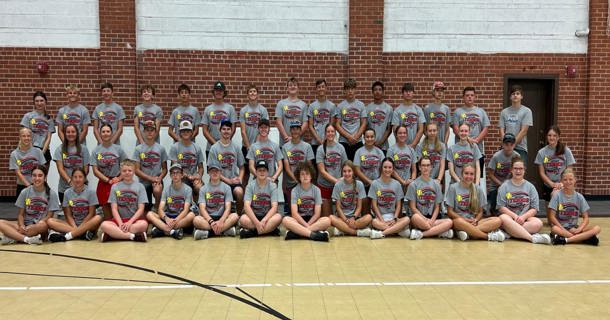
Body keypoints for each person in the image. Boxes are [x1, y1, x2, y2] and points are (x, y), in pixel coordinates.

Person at [445, 163, 504, 241]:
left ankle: (469, 233)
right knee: (458, 222)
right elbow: (450, 212)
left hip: (474, 221)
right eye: (466, 173)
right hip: (460, 221)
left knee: (498, 220)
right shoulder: (453, 188)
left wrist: (476, 220)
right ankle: (488, 236)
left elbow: (480, 212)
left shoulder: (478, 189)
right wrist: (464, 220)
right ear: (462, 174)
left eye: (471, 174)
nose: (469, 176)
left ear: (474, 175)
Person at [0, 165, 58, 245]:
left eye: (40, 175)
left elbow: (49, 216)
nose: (37, 178)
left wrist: (38, 224)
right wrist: (22, 225)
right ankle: (27, 239)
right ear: (31, 177)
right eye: (34, 175)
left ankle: (12, 236)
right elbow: (20, 215)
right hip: (25, 226)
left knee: (44, 225)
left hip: (39, 227)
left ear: (45, 177)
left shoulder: (52, 194)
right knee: (0, 222)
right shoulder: (25, 192)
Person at [497, 158, 550, 244]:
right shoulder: (504, 186)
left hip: (524, 219)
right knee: (502, 218)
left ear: (524, 170)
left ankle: (510, 232)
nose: (518, 171)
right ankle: (531, 238)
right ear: (511, 170)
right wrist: (514, 216)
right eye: (515, 168)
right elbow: (501, 207)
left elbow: (534, 208)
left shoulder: (530, 187)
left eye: (521, 168)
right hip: (510, 218)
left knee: (538, 223)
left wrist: (523, 217)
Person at [548, 169, 602, 245]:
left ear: (575, 180)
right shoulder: (557, 195)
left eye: (571, 179)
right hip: (560, 228)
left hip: (574, 228)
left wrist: (580, 229)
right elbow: (551, 217)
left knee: (597, 228)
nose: (568, 182)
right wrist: (563, 229)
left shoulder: (579, 197)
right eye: (565, 180)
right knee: (554, 229)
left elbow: (586, 218)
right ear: (561, 181)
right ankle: (583, 238)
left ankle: (566, 240)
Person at [47, 168, 102, 242]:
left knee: (98, 218)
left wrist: (82, 226)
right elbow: (68, 215)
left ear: (84, 178)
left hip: (88, 224)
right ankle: (82, 234)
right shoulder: (67, 193)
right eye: (75, 177)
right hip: (73, 224)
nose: (77, 179)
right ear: (72, 178)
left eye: (80, 177)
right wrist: (75, 227)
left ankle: (68, 236)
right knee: (50, 221)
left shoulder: (91, 192)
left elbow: (91, 213)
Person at [99, 160, 148, 242]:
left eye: (130, 170)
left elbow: (141, 209)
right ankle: (132, 236)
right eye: (124, 171)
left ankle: (113, 235)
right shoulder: (115, 187)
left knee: (144, 225)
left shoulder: (140, 186)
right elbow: (114, 209)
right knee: (104, 225)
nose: (127, 173)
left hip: (134, 221)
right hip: (119, 220)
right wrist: (121, 223)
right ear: (120, 172)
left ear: (134, 172)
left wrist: (129, 223)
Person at [282, 162, 330, 241]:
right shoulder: (294, 190)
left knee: (327, 220)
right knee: (285, 220)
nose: (305, 176)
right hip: (299, 221)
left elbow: (317, 214)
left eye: (307, 174)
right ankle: (313, 235)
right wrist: (304, 224)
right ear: (299, 177)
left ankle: (298, 233)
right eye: (302, 174)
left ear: (311, 176)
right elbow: (294, 214)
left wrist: (307, 226)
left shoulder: (317, 190)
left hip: (313, 220)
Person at [407, 157, 453, 240]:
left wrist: (431, 220)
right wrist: (424, 219)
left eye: (428, 165)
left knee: (449, 222)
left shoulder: (436, 185)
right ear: (419, 167)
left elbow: (437, 207)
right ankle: (439, 231)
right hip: (419, 218)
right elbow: (412, 207)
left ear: (431, 167)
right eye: (423, 165)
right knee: (415, 217)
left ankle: (421, 234)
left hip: (432, 218)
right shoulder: (413, 185)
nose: (426, 168)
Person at [146, 164, 195, 240]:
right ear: (170, 176)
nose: (175, 175)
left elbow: (186, 210)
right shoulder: (166, 190)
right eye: (173, 173)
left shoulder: (188, 189)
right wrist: (166, 218)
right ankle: (172, 231)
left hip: (181, 218)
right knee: (149, 214)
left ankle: (163, 230)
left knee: (192, 215)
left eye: (177, 172)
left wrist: (175, 220)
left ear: (182, 175)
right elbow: (160, 209)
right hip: (169, 217)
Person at [192, 164, 239, 240]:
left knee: (235, 216)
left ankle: (207, 233)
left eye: (217, 171)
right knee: (196, 220)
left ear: (220, 172)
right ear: (209, 173)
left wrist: (221, 221)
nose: (214, 173)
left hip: (222, 217)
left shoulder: (226, 187)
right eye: (212, 171)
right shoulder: (203, 189)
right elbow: (202, 209)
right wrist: (211, 222)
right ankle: (224, 231)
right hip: (208, 218)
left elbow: (228, 208)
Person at [91, 123, 128, 219]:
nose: (105, 133)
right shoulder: (96, 151)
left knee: (118, 209)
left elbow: (127, 165)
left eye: (108, 131)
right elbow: (95, 170)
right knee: (107, 212)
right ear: (100, 133)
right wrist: (108, 180)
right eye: (103, 131)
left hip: (117, 182)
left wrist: (119, 178)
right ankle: (109, 229)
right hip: (103, 183)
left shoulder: (118, 149)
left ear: (112, 133)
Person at [208, 120, 245, 214]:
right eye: (223, 129)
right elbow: (212, 172)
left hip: (233, 181)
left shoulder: (236, 147)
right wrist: (228, 181)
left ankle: (239, 217)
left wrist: (240, 178)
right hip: (218, 181)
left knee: (239, 192)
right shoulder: (214, 148)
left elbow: (241, 167)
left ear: (231, 131)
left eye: (228, 129)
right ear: (220, 131)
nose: (226, 131)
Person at [239, 160, 283, 238]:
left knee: (278, 217)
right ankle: (270, 230)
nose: (262, 172)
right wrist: (257, 223)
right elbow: (246, 206)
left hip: (267, 217)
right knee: (242, 219)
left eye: (264, 170)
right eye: (259, 170)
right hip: (253, 217)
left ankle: (252, 233)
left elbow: (274, 207)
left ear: (267, 172)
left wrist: (264, 220)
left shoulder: (273, 186)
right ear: (256, 172)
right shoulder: (250, 186)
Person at [369, 157, 411, 239]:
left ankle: (381, 233)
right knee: (373, 221)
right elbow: (374, 205)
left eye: (390, 167)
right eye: (385, 167)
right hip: (380, 217)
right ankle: (397, 231)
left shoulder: (397, 184)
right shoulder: (375, 183)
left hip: (393, 218)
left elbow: (399, 205)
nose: (387, 170)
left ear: (393, 169)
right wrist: (381, 220)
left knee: (407, 220)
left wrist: (395, 218)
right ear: (381, 168)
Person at [452, 87, 490, 176]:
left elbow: (486, 128)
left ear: (475, 97)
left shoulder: (481, 111)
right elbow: (455, 128)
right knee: (459, 176)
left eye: (472, 95)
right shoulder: (458, 112)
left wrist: (476, 140)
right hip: (460, 151)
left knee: (476, 177)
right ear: (463, 97)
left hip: (477, 150)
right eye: (467, 95)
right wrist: (468, 139)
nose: (470, 97)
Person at [330, 160, 372, 237]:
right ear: (342, 173)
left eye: (349, 171)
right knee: (331, 218)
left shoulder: (359, 184)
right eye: (344, 171)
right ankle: (357, 232)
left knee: (368, 217)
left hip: (355, 218)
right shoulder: (338, 185)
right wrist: (346, 220)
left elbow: (359, 206)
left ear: (353, 172)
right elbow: (338, 207)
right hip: (342, 218)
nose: (347, 174)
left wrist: (353, 217)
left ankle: (343, 230)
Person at [133, 120, 168, 212]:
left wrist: (159, 178)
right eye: (147, 130)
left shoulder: (161, 148)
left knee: (157, 190)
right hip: (143, 183)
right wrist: (150, 178)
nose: (149, 132)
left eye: (152, 130)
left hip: (157, 180)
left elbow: (165, 169)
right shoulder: (138, 149)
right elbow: (136, 170)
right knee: (145, 209)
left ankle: (157, 208)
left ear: (156, 132)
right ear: (143, 132)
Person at [282, 121, 315, 215]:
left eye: (297, 129)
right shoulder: (285, 147)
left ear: (300, 131)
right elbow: (287, 168)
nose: (295, 131)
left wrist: (304, 180)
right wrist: (297, 179)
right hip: (291, 183)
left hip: (305, 182)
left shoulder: (307, 146)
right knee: (292, 211)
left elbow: (309, 166)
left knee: (304, 210)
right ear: (290, 131)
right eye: (293, 129)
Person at [535, 125, 575, 200]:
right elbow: (542, 173)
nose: (551, 138)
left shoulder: (566, 150)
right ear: (547, 136)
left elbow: (569, 169)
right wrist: (552, 184)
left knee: (561, 209)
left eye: (554, 135)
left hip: (563, 184)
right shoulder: (541, 152)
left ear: (558, 137)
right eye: (549, 135)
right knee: (550, 210)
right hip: (548, 185)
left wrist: (561, 183)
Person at [239, 84, 269, 184]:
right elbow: (243, 131)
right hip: (246, 147)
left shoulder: (263, 110)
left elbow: (264, 129)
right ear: (247, 95)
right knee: (246, 174)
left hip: (259, 147)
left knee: (260, 173)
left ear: (258, 94)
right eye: (250, 91)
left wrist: (255, 145)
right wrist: (248, 147)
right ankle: (244, 198)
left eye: (254, 91)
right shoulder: (243, 110)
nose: (252, 93)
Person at [316, 124, 347, 217]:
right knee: (327, 217)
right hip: (324, 185)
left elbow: (345, 166)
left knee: (341, 215)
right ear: (325, 133)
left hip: (338, 186)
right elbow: (322, 171)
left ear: (335, 133)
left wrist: (341, 181)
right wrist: (336, 181)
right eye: (328, 131)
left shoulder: (341, 148)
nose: (330, 133)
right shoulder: (320, 149)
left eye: (332, 131)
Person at [53, 124, 90, 202]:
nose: (70, 134)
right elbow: (60, 169)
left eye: (73, 132)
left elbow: (86, 168)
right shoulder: (60, 149)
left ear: (77, 133)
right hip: (64, 188)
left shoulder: (84, 149)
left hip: (81, 188)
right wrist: (70, 181)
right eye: (68, 132)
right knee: (67, 213)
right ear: (65, 134)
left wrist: (78, 181)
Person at [168, 120, 205, 197]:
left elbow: (201, 168)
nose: (185, 133)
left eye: (188, 131)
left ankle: (197, 206)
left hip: (194, 177)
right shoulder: (175, 147)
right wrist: (188, 176)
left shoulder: (197, 147)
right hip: (180, 178)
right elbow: (175, 167)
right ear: (180, 133)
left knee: (199, 187)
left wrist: (198, 177)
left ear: (191, 132)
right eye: (183, 131)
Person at [201, 81, 238, 157]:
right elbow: (205, 130)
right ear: (213, 92)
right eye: (216, 90)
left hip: (227, 148)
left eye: (221, 90)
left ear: (224, 93)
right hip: (211, 148)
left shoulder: (230, 108)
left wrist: (224, 143)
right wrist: (216, 145)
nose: (218, 92)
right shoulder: (207, 109)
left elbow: (233, 128)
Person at [354, 128, 385, 216]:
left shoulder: (379, 152)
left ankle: (377, 222)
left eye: (372, 137)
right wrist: (369, 181)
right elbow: (357, 170)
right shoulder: (359, 152)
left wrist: (377, 182)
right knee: (365, 205)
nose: (370, 139)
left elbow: (383, 169)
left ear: (375, 138)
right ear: (364, 138)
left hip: (376, 184)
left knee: (377, 206)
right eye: (367, 137)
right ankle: (365, 224)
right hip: (363, 185)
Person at [487, 133, 520, 215]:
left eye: (511, 144)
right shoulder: (496, 157)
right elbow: (490, 174)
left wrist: (511, 184)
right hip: (496, 185)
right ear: (503, 144)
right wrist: (501, 184)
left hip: (510, 184)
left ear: (514, 145)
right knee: (495, 210)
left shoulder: (516, 156)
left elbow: (518, 172)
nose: (509, 147)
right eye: (506, 144)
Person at [499, 85, 533, 164]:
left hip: (520, 148)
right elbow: (501, 130)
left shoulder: (527, 111)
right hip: (505, 147)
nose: (515, 95)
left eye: (517, 93)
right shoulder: (504, 112)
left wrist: (512, 145)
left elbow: (524, 131)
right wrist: (506, 145)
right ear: (510, 97)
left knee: (519, 173)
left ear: (521, 96)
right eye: (513, 93)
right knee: (504, 172)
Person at [336, 78, 367, 161]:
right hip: (344, 142)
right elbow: (337, 124)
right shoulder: (340, 106)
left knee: (357, 167)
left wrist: (356, 137)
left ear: (355, 90)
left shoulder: (361, 105)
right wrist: (348, 137)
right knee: (345, 167)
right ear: (344, 91)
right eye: (348, 89)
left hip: (358, 141)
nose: (350, 91)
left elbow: (364, 123)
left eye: (352, 88)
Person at [10, 128, 46, 196]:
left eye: (28, 136)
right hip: (22, 186)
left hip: (38, 185)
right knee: (23, 207)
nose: (26, 138)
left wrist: (43, 185)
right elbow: (18, 173)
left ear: (31, 137)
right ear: (20, 137)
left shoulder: (38, 151)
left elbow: (43, 170)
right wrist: (29, 186)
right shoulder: (14, 154)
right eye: (24, 136)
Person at [20, 91, 54, 162]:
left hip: (44, 150)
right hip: (29, 150)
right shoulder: (28, 116)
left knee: (43, 173)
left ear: (45, 102)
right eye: (37, 101)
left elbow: (48, 138)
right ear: (34, 103)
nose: (39, 103)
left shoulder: (49, 119)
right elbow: (24, 136)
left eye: (41, 101)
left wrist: (42, 153)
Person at [247, 119, 283, 184]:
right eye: (261, 127)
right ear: (258, 129)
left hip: (272, 180)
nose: (263, 129)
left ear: (269, 129)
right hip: (257, 180)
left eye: (266, 127)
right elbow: (251, 166)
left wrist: (274, 178)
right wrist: (260, 177)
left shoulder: (275, 146)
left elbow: (280, 165)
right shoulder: (253, 147)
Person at [276, 77, 308, 147]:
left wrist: (295, 137)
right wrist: (286, 137)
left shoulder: (304, 105)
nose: (292, 86)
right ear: (287, 88)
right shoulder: (281, 103)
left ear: (298, 88)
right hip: (285, 143)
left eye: (295, 85)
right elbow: (278, 122)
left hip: (299, 144)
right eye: (290, 85)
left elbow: (305, 123)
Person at [391, 83, 425, 149]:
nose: (408, 93)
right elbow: (395, 129)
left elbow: (421, 129)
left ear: (413, 93)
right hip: (400, 147)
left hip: (415, 147)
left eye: (410, 91)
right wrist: (403, 145)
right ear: (402, 94)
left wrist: (413, 144)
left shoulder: (418, 110)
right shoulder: (397, 111)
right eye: (406, 91)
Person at [308, 79, 336, 155]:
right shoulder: (312, 106)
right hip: (315, 142)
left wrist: (325, 138)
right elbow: (310, 125)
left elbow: (332, 124)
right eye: (319, 87)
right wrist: (317, 139)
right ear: (316, 89)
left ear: (326, 88)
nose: (321, 89)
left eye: (323, 86)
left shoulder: (332, 106)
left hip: (329, 141)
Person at [387, 126, 417, 193]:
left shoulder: (411, 150)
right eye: (400, 133)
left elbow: (414, 170)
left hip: (408, 183)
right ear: (396, 135)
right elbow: (391, 170)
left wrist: (412, 180)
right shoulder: (391, 150)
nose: (402, 135)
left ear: (407, 135)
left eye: (404, 133)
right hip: (395, 183)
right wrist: (402, 182)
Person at [365, 81, 393, 153]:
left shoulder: (389, 108)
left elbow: (389, 129)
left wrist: (380, 143)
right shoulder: (367, 108)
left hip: (383, 146)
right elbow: (365, 127)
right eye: (375, 90)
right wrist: (370, 140)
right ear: (372, 92)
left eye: (380, 90)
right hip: (369, 146)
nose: (377, 92)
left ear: (383, 92)